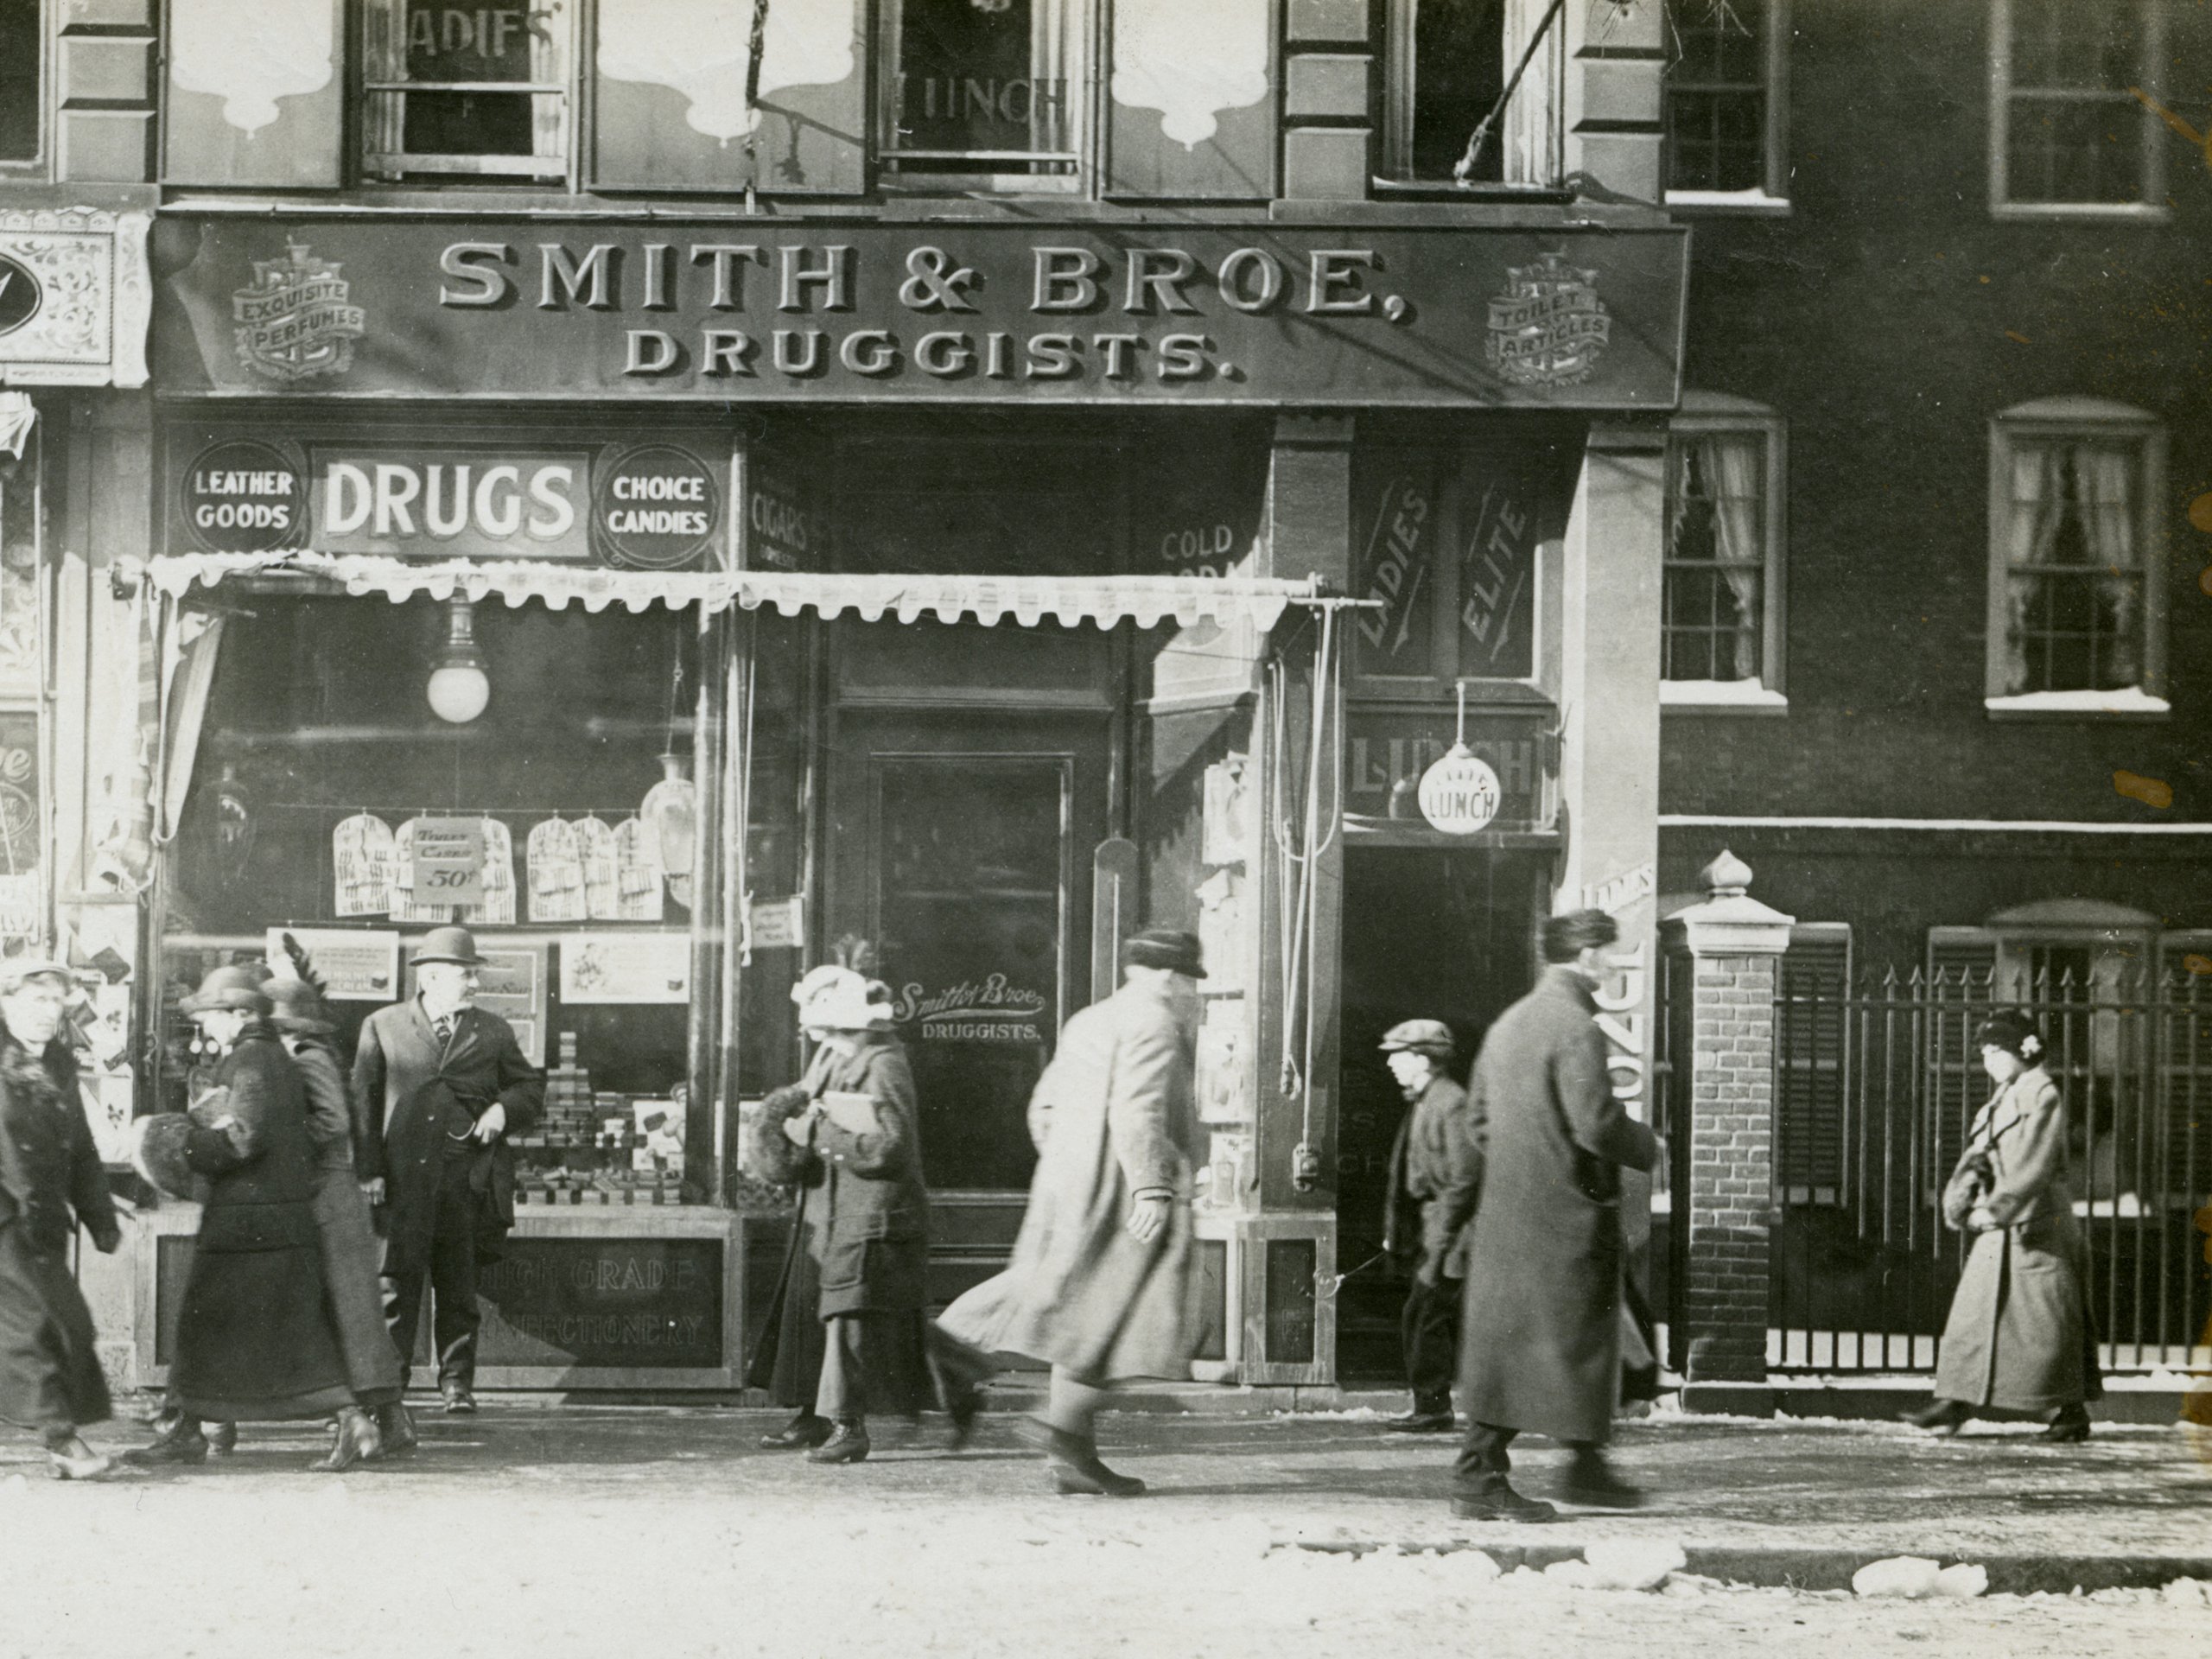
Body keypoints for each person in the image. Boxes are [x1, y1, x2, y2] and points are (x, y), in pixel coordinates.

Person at [939, 926, 1205, 1498]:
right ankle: (1034, 1409)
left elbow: (1045, 1105)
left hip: (1066, 1182)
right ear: (1168, 975)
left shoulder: (1087, 1019)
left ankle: (1070, 1452)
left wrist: (1067, 1165)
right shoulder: (1154, 1023)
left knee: (1072, 1303)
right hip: (1123, 1188)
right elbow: (1139, 1114)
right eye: (1188, 979)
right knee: (1130, 1315)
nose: (1189, 990)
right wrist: (1151, 1189)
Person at [1443, 909, 1659, 1523]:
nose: (1615, 965)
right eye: (1610, 953)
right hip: (1564, 1218)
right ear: (1587, 955)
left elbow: (1479, 1121)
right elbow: (1596, 1123)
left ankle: (1586, 1467)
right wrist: (1647, 1145)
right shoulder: (1576, 1026)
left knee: (1551, 1344)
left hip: (1511, 1217)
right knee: (1553, 1344)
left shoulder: (1509, 1023)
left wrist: (1524, 1168)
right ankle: (1478, 1476)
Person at [130, 964, 377, 1469]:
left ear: (239, 1014)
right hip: (263, 1221)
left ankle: (350, 1420)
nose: (205, 1026)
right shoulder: (269, 1056)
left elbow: (241, 1136)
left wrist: (186, 1144)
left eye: (211, 1015)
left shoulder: (250, 1060)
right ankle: (188, 1425)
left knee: (230, 1328)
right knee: (252, 1332)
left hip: (248, 1224)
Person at [748, 966, 983, 1465]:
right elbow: (808, 1099)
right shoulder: (834, 1053)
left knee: (850, 1313)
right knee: (849, 1312)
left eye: (826, 1027)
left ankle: (847, 1425)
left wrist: (817, 1135)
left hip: (874, 1211)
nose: (819, 1037)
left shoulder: (884, 1064)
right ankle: (953, 1381)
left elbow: (891, 1147)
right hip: (829, 1205)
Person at [353, 925, 543, 1424]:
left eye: (475, 975)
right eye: (466, 974)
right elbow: (363, 1105)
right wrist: (369, 1171)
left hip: (466, 1183)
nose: (474, 984)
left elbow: (529, 1089)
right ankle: (388, 1389)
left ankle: (457, 1384)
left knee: (458, 1290)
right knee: (394, 1287)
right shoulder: (383, 1026)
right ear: (432, 976)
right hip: (400, 1185)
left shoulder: (493, 1031)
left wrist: (503, 1110)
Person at [1906, 1009, 2101, 1442]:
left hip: (2037, 1226)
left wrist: (1996, 1209)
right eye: (1985, 1053)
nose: (1988, 1061)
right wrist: (1961, 1196)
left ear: (2022, 1051)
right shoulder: (2003, 1097)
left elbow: (2035, 1163)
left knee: (2048, 1324)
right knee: (1974, 1316)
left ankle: (2071, 1412)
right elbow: (1980, 1154)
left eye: (1997, 1051)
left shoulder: (2041, 1094)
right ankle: (1955, 1400)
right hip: (2003, 1224)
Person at [269, 973, 406, 1459]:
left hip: (327, 1197)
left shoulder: (309, 1059)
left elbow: (333, 1122)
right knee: (354, 1314)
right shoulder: (309, 1057)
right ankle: (392, 1420)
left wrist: (278, 1131)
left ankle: (366, 1421)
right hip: (331, 1197)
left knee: (349, 1314)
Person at [0, 961, 124, 1480]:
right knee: (30, 1328)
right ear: (6, 1003)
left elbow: (81, 1146)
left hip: (43, 1220)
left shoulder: (57, 1063)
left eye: (55, 1002)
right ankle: (61, 1441)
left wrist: (100, 1214)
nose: (49, 1013)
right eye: (36, 1000)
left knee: (71, 1323)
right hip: (7, 1219)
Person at [1377, 1018, 1473, 1433]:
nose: (1392, 1065)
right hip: (1433, 1230)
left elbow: (1466, 1178)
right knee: (1423, 1314)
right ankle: (1432, 1405)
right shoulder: (1424, 1100)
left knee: (1425, 1313)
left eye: (1399, 1056)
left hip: (1454, 1235)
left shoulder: (1450, 1101)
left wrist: (1441, 1241)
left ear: (1424, 1059)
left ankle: (1435, 1408)